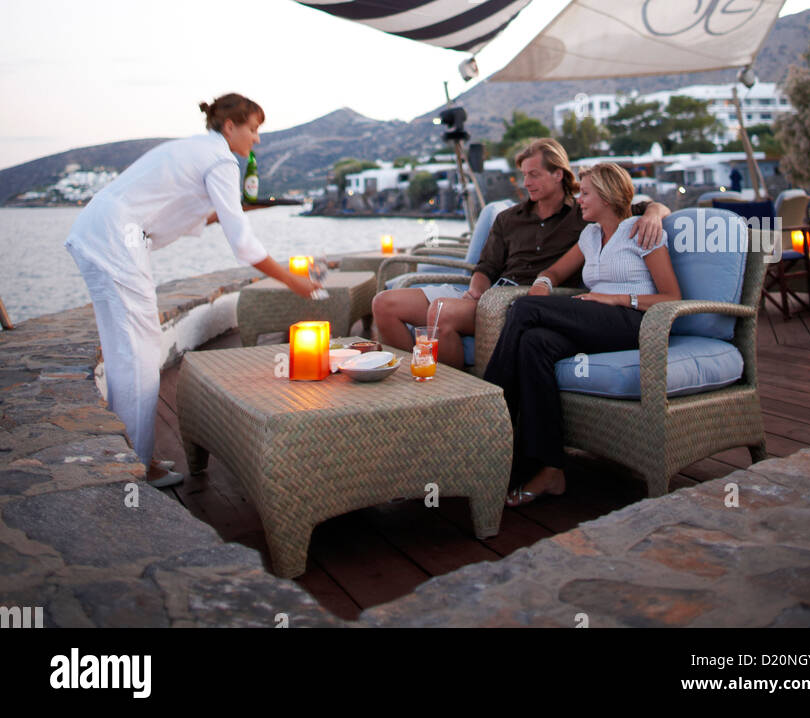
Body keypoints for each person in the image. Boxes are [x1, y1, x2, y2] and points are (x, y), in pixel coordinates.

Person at [64, 94, 318, 487]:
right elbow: (243, 243)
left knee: (125, 353)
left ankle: (126, 454)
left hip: (99, 231)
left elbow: (209, 213)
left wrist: (242, 208)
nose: (257, 139)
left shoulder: (198, 150)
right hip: (117, 238)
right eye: (253, 129)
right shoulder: (219, 158)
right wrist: (290, 278)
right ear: (230, 127)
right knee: (139, 354)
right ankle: (135, 465)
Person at [483, 161, 681, 506]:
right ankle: (549, 469)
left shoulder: (641, 230)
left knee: (523, 310)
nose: (580, 200)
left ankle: (485, 421)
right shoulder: (589, 236)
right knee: (534, 343)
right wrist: (543, 282)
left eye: (586, 193)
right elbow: (555, 270)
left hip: (634, 323)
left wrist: (618, 297)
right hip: (595, 319)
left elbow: (672, 298)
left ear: (606, 196)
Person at [372, 138, 669, 368]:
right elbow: (486, 267)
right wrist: (475, 290)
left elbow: (635, 207)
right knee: (384, 304)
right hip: (489, 293)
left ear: (558, 175)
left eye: (534, 174)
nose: (526, 182)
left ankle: (452, 398)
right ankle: (416, 380)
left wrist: (654, 214)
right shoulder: (509, 217)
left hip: (527, 301)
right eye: (524, 174)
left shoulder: (586, 215)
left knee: (441, 312)